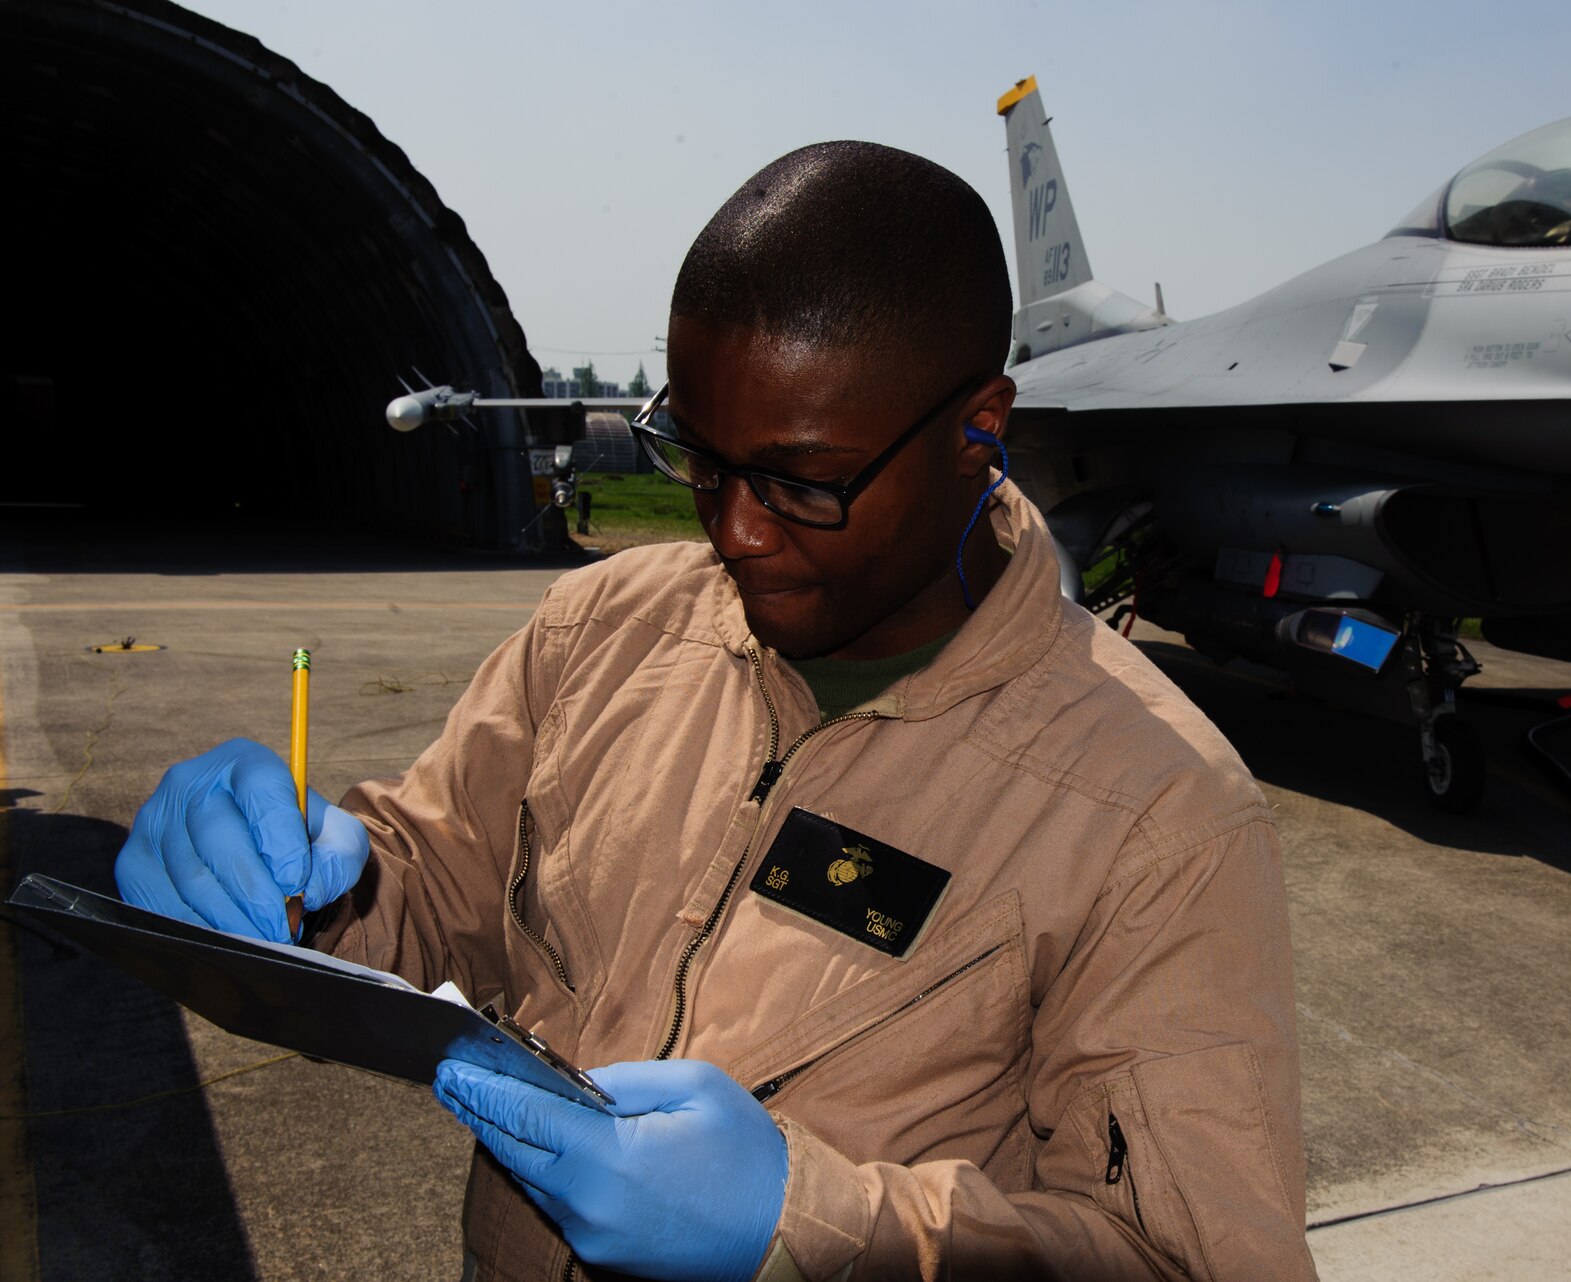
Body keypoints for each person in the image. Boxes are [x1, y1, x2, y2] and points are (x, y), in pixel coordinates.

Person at [115, 142, 1314, 1282]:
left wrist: (810, 1230)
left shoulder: (1153, 812)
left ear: (977, 432)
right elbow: (432, 892)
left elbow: (1187, 1256)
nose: (733, 532)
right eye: (698, 455)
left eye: (802, 479)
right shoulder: (600, 632)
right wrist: (297, 895)